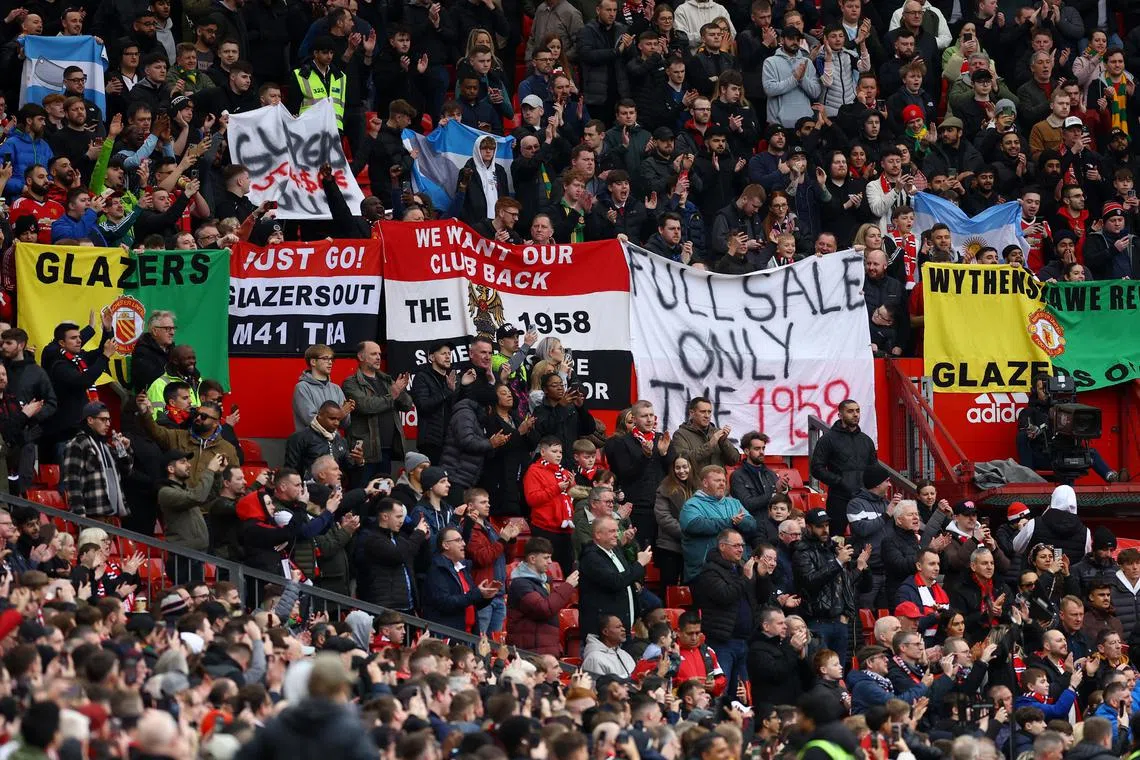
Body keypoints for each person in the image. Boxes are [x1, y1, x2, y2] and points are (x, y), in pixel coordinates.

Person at [793, 507, 872, 666]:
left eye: (827, 525)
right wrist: (837, 562)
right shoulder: (801, 551)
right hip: (818, 621)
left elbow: (846, 583)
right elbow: (810, 582)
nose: (825, 530)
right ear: (809, 527)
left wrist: (861, 568)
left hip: (840, 620)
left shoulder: (834, 549)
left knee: (838, 672)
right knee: (820, 670)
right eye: (820, 526)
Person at [690, 529, 757, 698]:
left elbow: (755, 597)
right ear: (722, 546)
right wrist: (745, 578)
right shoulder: (710, 571)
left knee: (743, 695)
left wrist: (760, 577)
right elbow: (725, 596)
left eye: (742, 545)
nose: (741, 549)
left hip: (743, 640)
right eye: (736, 546)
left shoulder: (739, 568)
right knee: (722, 692)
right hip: (722, 642)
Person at [342, 341, 413, 482]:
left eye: (380, 354)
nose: (379, 357)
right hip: (365, 452)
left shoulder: (385, 380)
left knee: (383, 494)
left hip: (387, 449)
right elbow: (366, 406)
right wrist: (392, 395)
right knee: (363, 493)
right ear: (361, 357)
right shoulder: (351, 383)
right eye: (374, 354)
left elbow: (407, 405)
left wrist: (399, 392)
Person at [606, 399, 671, 547]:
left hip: (662, 505)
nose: (649, 419)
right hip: (637, 507)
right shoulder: (622, 442)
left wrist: (665, 453)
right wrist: (645, 456)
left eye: (651, 415)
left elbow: (673, 471)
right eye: (644, 416)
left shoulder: (661, 439)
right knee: (638, 551)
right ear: (634, 419)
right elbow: (624, 473)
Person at [808, 399, 877, 534]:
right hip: (839, 498)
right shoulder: (828, 439)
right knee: (836, 537)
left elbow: (873, 468)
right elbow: (816, 468)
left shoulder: (866, 440)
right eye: (850, 411)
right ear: (840, 415)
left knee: (866, 536)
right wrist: (839, 481)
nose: (856, 414)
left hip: (863, 497)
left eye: (857, 411)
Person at [578, 516, 652, 639]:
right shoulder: (591, 557)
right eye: (611, 531)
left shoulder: (615, 551)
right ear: (598, 534)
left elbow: (626, 576)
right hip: (603, 633)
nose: (616, 535)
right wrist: (639, 564)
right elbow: (616, 581)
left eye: (617, 531)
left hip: (623, 628)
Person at [506, 537, 580, 655]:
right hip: (529, 652)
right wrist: (567, 586)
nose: (550, 562)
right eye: (546, 558)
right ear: (532, 559)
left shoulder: (545, 581)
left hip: (543, 648)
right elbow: (543, 609)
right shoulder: (520, 584)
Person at [158, 450, 222, 583]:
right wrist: (209, 470)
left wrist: (217, 474)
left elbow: (210, 495)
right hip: (182, 557)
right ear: (170, 469)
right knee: (189, 598)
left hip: (195, 555)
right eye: (183, 462)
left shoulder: (184, 490)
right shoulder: (165, 492)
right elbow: (199, 497)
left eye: (187, 461)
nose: (189, 465)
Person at [61, 402, 132, 519]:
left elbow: (127, 471)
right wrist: (79, 516)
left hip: (113, 514)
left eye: (109, 420)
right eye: (103, 419)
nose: (108, 424)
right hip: (92, 515)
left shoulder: (106, 446)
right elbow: (72, 482)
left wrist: (124, 450)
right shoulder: (78, 443)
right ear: (90, 420)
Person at [422, 526, 497, 634]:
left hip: (469, 634)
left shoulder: (462, 568)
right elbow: (445, 603)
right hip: (450, 636)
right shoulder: (437, 569)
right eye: (458, 540)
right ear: (445, 545)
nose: (464, 544)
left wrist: (486, 596)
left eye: (462, 540)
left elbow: (471, 602)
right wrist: (476, 594)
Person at [523, 436, 577, 574]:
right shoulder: (534, 471)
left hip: (566, 531)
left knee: (565, 572)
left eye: (560, 452)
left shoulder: (564, 472)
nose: (559, 455)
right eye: (554, 451)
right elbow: (532, 499)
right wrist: (556, 488)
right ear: (542, 452)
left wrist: (572, 486)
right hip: (545, 530)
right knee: (548, 573)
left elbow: (571, 499)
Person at [283, 401, 364, 478]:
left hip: (336, 490)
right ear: (320, 415)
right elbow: (290, 471)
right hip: (309, 490)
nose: (336, 423)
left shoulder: (341, 441)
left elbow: (350, 471)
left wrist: (359, 462)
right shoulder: (299, 437)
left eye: (338, 419)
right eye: (332, 419)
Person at [409, 340, 457, 466]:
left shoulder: (450, 379)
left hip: (450, 442)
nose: (448, 356)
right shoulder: (422, 377)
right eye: (443, 353)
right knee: (433, 482)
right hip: (431, 442)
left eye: (449, 353)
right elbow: (423, 405)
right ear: (431, 357)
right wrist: (447, 392)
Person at [669, 397, 740, 473]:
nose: (707, 415)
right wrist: (710, 445)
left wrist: (723, 442)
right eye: (703, 412)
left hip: (718, 483)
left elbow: (734, 460)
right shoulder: (680, 434)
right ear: (692, 413)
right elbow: (683, 460)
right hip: (695, 484)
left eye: (709, 412)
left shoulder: (717, 432)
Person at [292, 344, 351, 434]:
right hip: (312, 445)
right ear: (313, 362)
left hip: (333, 444)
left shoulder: (336, 388)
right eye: (325, 358)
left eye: (331, 359)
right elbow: (310, 421)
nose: (330, 362)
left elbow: (344, 425)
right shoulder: (302, 387)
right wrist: (339, 414)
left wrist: (347, 411)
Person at [730, 431, 788, 522]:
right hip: (752, 523)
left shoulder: (770, 473)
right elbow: (747, 504)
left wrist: (783, 490)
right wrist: (774, 492)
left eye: (763, 448)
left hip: (772, 522)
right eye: (757, 449)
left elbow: (782, 502)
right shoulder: (737, 476)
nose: (761, 452)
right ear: (747, 451)